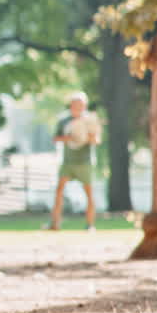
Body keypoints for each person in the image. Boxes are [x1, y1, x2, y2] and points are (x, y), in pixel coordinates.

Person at [49, 91, 103, 231]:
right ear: (71, 104)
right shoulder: (64, 120)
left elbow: (97, 140)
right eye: (75, 103)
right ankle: (55, 224)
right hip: (67, 161)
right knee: (59, 190)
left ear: (84, 105)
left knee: (89, 193)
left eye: (81, 104)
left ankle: (90, 225)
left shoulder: (89, 120)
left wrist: (90, 138)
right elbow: (55, 138)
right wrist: (68, 138)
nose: (78, 106)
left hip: (85, 161)